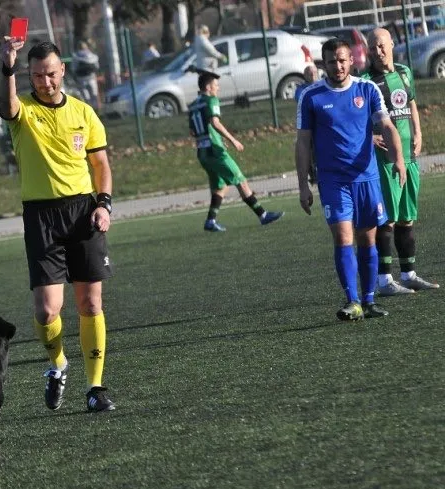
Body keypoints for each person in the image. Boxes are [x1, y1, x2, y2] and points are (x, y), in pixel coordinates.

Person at [0, 39, 115, 412]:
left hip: (83, 213)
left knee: (90, 303)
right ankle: (58, 365)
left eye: (49, 74)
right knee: (48, 311)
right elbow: (7, 104)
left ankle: (95, 388)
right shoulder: (23, 110)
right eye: (36, 76)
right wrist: (7, 68)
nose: (44, 82)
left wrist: (104, 204)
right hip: (41, 217)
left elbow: (100, 166)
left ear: (62, 70)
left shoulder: (83, 112)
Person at [296, 38, 407, 321]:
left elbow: (386, 125)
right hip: (333, 181)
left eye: (343, 60)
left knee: (367, 240)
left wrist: (399, 160)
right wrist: (302, 184)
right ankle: (352, 300)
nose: (338, 66)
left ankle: (368, 301)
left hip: (366, 178)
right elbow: (302, 142)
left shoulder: (366, 89)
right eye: (332, 61)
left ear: (351, 61)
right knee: (343, 237)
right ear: (325, 64)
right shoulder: (311, 96)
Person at [362, 28, 439, 295]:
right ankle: (384, 280)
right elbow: (356, 118)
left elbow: (412, 103)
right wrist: (370, 137)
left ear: (392, 45)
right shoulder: (366, 81)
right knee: (387, 219)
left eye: (381, 46)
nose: (378, 51)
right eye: (373, 48)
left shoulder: (404, 72)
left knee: (407, 218)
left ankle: (409, 275)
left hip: (410, 156)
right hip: (385, 160)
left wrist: (418, 132)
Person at [188, 72, 284, 232]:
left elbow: (193, 131)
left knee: (221, 185)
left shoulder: (193, 106)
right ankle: (263, 215)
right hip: (215, 151)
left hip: (202, 152)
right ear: (207, 87)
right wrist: (233, 140)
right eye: (215, 85)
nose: (218, 88)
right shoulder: (211, 100)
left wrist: (210, 137)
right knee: (240, 179)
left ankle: (210, 221)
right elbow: (215, 122)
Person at [72, 41, 100, 112]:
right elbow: (96, 66)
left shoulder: (77, 56)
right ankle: (94, 110)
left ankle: (92, 110)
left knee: (89, 96)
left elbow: (74, 68)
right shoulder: (89, 55)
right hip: (87, 78)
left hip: (85, 78)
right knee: (91, 95)